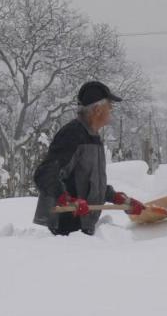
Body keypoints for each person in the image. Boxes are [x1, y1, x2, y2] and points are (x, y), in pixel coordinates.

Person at [32, 81, 146, 236]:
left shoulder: (93, 137)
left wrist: (117, 198)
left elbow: (87, 182)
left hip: (83, 226)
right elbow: (44, 174)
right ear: (97, 110)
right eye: (109, 106)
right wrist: (65, 198)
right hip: (65, 228)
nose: (111, 110)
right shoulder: (72, 135)